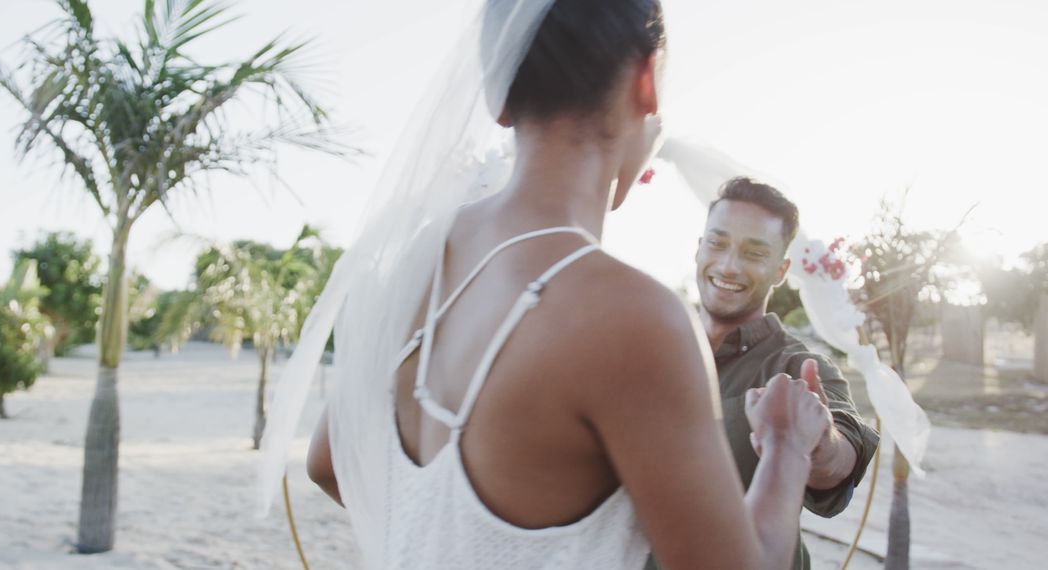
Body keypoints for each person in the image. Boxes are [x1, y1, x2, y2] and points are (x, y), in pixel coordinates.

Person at [303, 1, 829, 568]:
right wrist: (785, 446)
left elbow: (327, 462)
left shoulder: (423, 258)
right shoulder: (633, 319)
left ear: (497, 97)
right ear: (646, 81)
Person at [646, 178, 880, 570]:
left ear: (780, 270)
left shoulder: (798, 367)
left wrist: (818, 443)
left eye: (754, 252)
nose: (728, 265)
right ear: (698, 247)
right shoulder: (649, 352)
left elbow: (841, 454)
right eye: (717, 243)